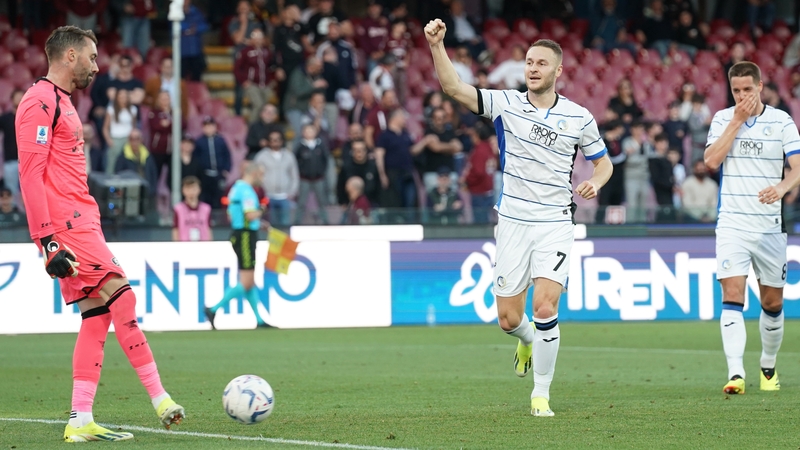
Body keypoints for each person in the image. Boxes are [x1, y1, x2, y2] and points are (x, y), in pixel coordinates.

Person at [425, 19, 613, 416]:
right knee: (509, 319)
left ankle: (540, 394)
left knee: (545, 307)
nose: (533, 68)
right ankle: (526, 340)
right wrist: (437, 45)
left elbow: (604, 163)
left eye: (541, 63)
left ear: (558, 71)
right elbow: (453, 88)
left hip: (556, 223)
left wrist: (595, 182)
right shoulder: (505, 104)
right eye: (529, 62)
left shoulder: (579, 117)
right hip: (512, 221)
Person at [15, 25, 184, 443]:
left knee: (97, 315)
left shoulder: (62, 102)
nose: (96, 66)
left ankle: (80, 419)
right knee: (123, 297)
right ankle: (161, 399)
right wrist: (47, 242)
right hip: (67, 225)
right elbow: (30, 176)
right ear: (69, 56)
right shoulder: (39, 101)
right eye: (91, 57)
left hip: (82, 219)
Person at [703, 61, 800, 395]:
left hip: (769, 227)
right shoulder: (722, 119)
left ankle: (768, 366)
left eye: (747, 89)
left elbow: (798, 166)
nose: (742, 95)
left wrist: (782, 187)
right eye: (736, 90)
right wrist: (736, 121)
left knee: (772, 303)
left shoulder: (781, 121)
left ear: (760, 86)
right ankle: (736, 374)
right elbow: (711, 161)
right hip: (732, 223)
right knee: (732, 295)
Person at [205, 162, 271, 329]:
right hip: (246, 236)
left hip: (239, 233)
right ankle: (213, 309)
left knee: (249, 280)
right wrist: (263, 209)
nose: (262, 178)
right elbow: (250, 215)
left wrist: (258, 223)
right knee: (247, 281)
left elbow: (232, 215)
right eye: (261, 174)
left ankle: (259, 320)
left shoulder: (235, 188)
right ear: (254, 173)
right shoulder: (247, 191)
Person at [253, 130, 299, 227]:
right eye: (272, 140)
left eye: (277, 139)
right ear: (268, 141)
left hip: (285, 197)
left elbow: (294, 176)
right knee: (270, 225)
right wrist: (261, 193)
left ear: (282, 141)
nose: (275, 142)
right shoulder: (261, 156)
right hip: (268, 196)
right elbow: (256, 174)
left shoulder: (289, 156)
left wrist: (292, 192)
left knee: (285, 225)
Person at [294, 123, 330, 224]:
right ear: (303, 132)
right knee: (301, 202)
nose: (309, 133)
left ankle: (325, 221)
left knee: (322, 201)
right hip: (304, 179)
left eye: (311, 130)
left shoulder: (321, 145)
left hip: (318, 178)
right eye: (307, 131)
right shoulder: (300, 146)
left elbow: (325, 160)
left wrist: (321, 172)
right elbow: (296, 161)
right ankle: (297, 221)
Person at [462, 121, 498, 224]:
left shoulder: (479, 150)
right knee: (487, 219)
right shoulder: (489, 148)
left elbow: (479, 172)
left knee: (480, 222)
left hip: (479, 191)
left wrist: (466, 180)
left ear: (477, 135)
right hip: (488, 189)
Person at [194, 116, 232, 208]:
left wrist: (226, 169)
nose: (209, 129)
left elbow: (227, 155)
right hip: (205, 175)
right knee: (205, 197)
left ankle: (218, 215)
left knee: (219, 197)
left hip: (219, 174)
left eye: (211, 126)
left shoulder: (220, 140)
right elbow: (196, 158)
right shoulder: (199, 142)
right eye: (206, 126)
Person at [102, 88, 138, 175]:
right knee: (112, 161)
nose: (123, 98)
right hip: (115, 138)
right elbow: (105, 128)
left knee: (129, 161)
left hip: (128, 139)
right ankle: (110, 179)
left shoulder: (133, 109)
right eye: (121, 96)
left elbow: (134, 126)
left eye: (125, 96)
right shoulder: (111, 110)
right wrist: (109, 140)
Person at [115, 128, 159, 197]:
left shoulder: (147, 156)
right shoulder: (122, 157)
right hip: (129, 194)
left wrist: (152, 190)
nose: (135, 142)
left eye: (137, 139)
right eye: (132, 139)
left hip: (146, 194)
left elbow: (153, 174)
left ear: (141, 140)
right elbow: (118, 176)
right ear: (128, 140)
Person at [336, 139, 379, 206]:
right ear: (352, 152)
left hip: (371, 205)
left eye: (362, 150)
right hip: (350, 205)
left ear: (366, 151)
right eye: (356, 150)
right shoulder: (346, 167)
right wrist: (342, 203)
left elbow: (378, 187)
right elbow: (340, 187)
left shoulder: (373, 167)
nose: (359, 153)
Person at [0, 89, 24, 205]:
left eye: (22, 97)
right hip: (10, 160)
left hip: (27, 160)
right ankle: (14, 212)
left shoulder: (30, 118)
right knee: (11, 190)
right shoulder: (5, 118)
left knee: (28, 190)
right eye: (17, 97)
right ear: (11, 100)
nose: (19, 99)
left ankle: (26, 214)